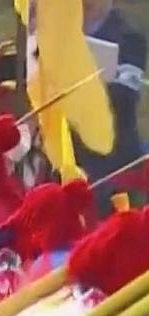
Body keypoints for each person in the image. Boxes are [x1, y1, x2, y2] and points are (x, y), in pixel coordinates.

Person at [78, 0, 146, 184]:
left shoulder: (130, 38)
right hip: (66, 148)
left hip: (111, 158)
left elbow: (125, 96)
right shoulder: (59, 30)